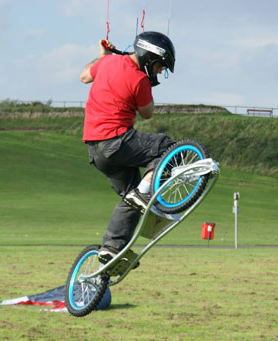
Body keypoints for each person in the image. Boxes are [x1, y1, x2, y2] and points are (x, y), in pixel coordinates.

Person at [79, 32, 177, 265]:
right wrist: (147, 86)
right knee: (167, 147)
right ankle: (144, 190)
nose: (158, 72)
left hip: (95, 150)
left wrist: (102, 55)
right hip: (116, 141)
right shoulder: (139, 80)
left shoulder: (107, 62)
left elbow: (84, 76)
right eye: (159, 66)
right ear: (148, 58)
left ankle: (112, 248)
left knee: (131, 200)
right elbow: (147, 113)